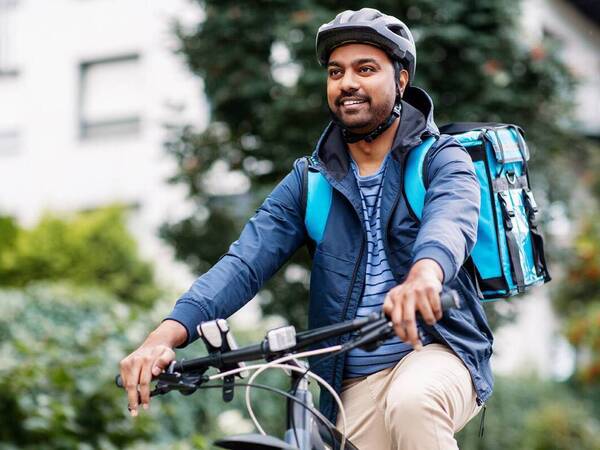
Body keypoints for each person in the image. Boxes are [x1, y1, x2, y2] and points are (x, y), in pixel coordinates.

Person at [119, 7, 494, 450]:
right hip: (350, 381)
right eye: (336, 72)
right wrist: (163, 336)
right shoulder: (309, 181)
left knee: (413, 402)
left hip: (439, 351)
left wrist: (425, 274)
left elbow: (451, 220)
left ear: (401, 81)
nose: (347, 82)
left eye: (366, 68)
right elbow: (243, 263)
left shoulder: (439, 158)